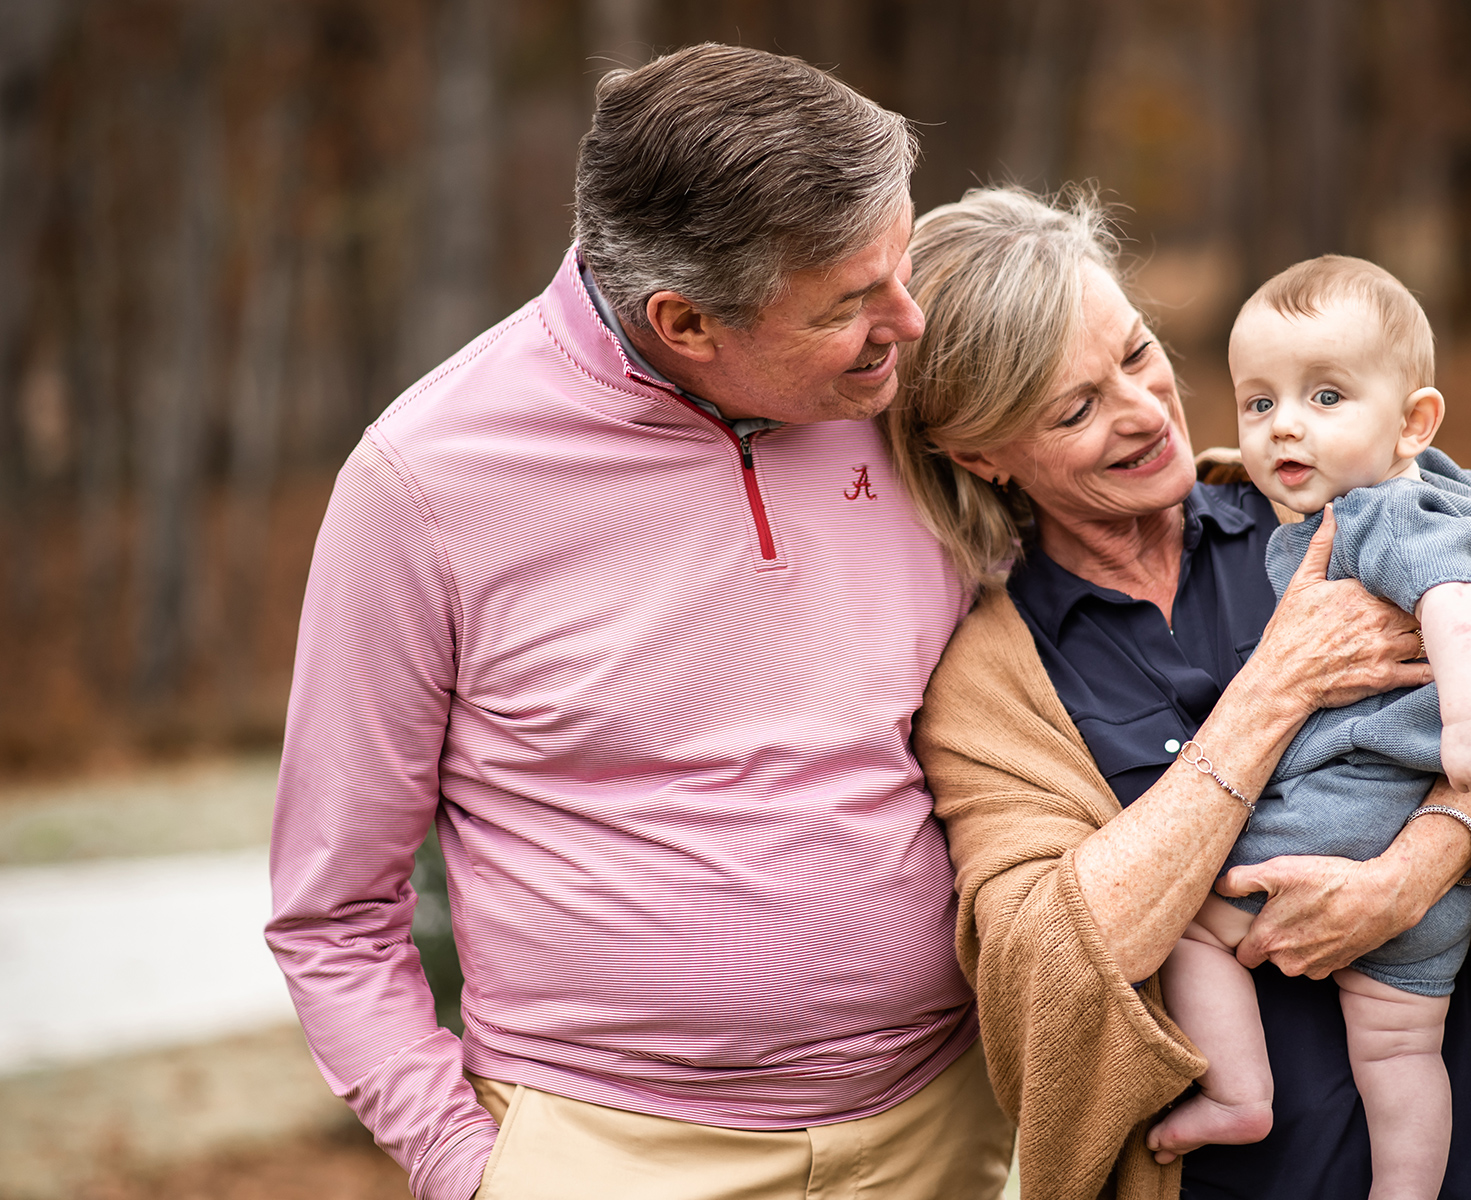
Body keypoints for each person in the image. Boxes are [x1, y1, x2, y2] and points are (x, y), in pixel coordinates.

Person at [265, 46, 1013, 1200]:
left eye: (899, 264)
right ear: (686, 322)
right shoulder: (425, 484)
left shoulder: (907, 396)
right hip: (612, 1156)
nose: (906, 324)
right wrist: (469, 1170)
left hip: (942, 1125)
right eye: (851, 303)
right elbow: (334, 912)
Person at [883, 187, 1471, 1200]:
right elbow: (1049, 959)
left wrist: (1415, 870)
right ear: (978, 453)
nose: (1140, 412)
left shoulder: (1319, 510)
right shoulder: (994, 685)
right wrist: (1272, 689)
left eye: (1134, 353)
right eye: (1074, 409)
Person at [1151, 254, 1471, 1199]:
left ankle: (1238, 1092)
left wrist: (1468, 733)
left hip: (1340, 812)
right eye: (1259, 403)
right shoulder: (1464, 499)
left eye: (1326, 396)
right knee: (1404, 1049)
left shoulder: (1380, 516)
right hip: (1433, 879)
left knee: (1178, 922)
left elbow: (1455, 610)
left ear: (1413, 422)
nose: (1285, 424)